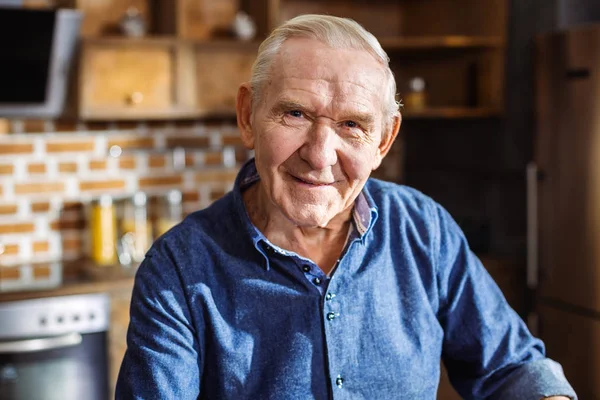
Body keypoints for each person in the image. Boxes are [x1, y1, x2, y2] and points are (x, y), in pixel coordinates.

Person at [116, 14, 577, 399]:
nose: (319, 154)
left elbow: (511, 369)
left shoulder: (422, 228)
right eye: (295, 113)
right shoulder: (178, 267)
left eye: (352, 124)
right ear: (247, 116)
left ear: (384, 140)